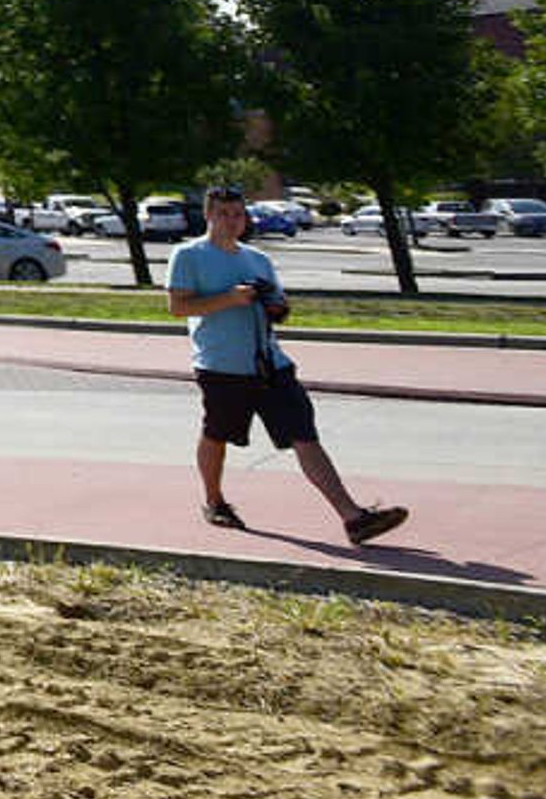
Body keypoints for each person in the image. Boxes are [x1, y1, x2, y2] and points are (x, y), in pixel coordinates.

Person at [167, 183, 407, 544]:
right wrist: (230, 298)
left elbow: (280, 308)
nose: (232, 221)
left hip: (272, 366)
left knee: (304, 436)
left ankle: (353, 517)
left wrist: (275, 306)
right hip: (221, 368)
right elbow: (179, 307)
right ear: (209, 215)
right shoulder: (188, 255)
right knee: (218, 434)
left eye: (238, 214)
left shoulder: (257, 258)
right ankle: (214, 501)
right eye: (223, 214)